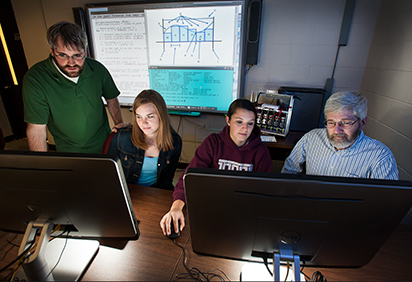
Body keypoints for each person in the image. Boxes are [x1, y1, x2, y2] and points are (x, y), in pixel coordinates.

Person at [160, 98, 273, 236]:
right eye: (239, 122)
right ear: (228, 120)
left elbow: (265, 191)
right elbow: (190, 176)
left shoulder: (261, 151)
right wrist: (176, 207)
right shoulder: (212, 143)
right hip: (212, 206)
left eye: (250, 123)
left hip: (244, 211)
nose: (245, 129)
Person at [23, 21, 126, 153]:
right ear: (52, 51)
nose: (71, 63)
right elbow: (36, 129)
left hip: (105, 146)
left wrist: (118, 124)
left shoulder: (96, 69)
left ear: (85, 52)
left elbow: (111, 98)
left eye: (77, 55)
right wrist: (41, 167)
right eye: (63, 55)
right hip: (69, 152)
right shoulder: (36, 79)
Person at [281, 91, 399, 180]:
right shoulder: (311, 138)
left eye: (346, 123)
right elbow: (289, 170)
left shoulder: (381, 157)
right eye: (331, 122)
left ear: (362, 123)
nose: (337, 130)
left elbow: (384, 202)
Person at [107, 89, 182, 190]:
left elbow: (167, 181)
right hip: (128, 192)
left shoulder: (175, 142)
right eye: (139, 117)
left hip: (156, 193)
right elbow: (109, 173)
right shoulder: (122, 137)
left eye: (150, 117)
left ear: (161, 116)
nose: (143, 123)